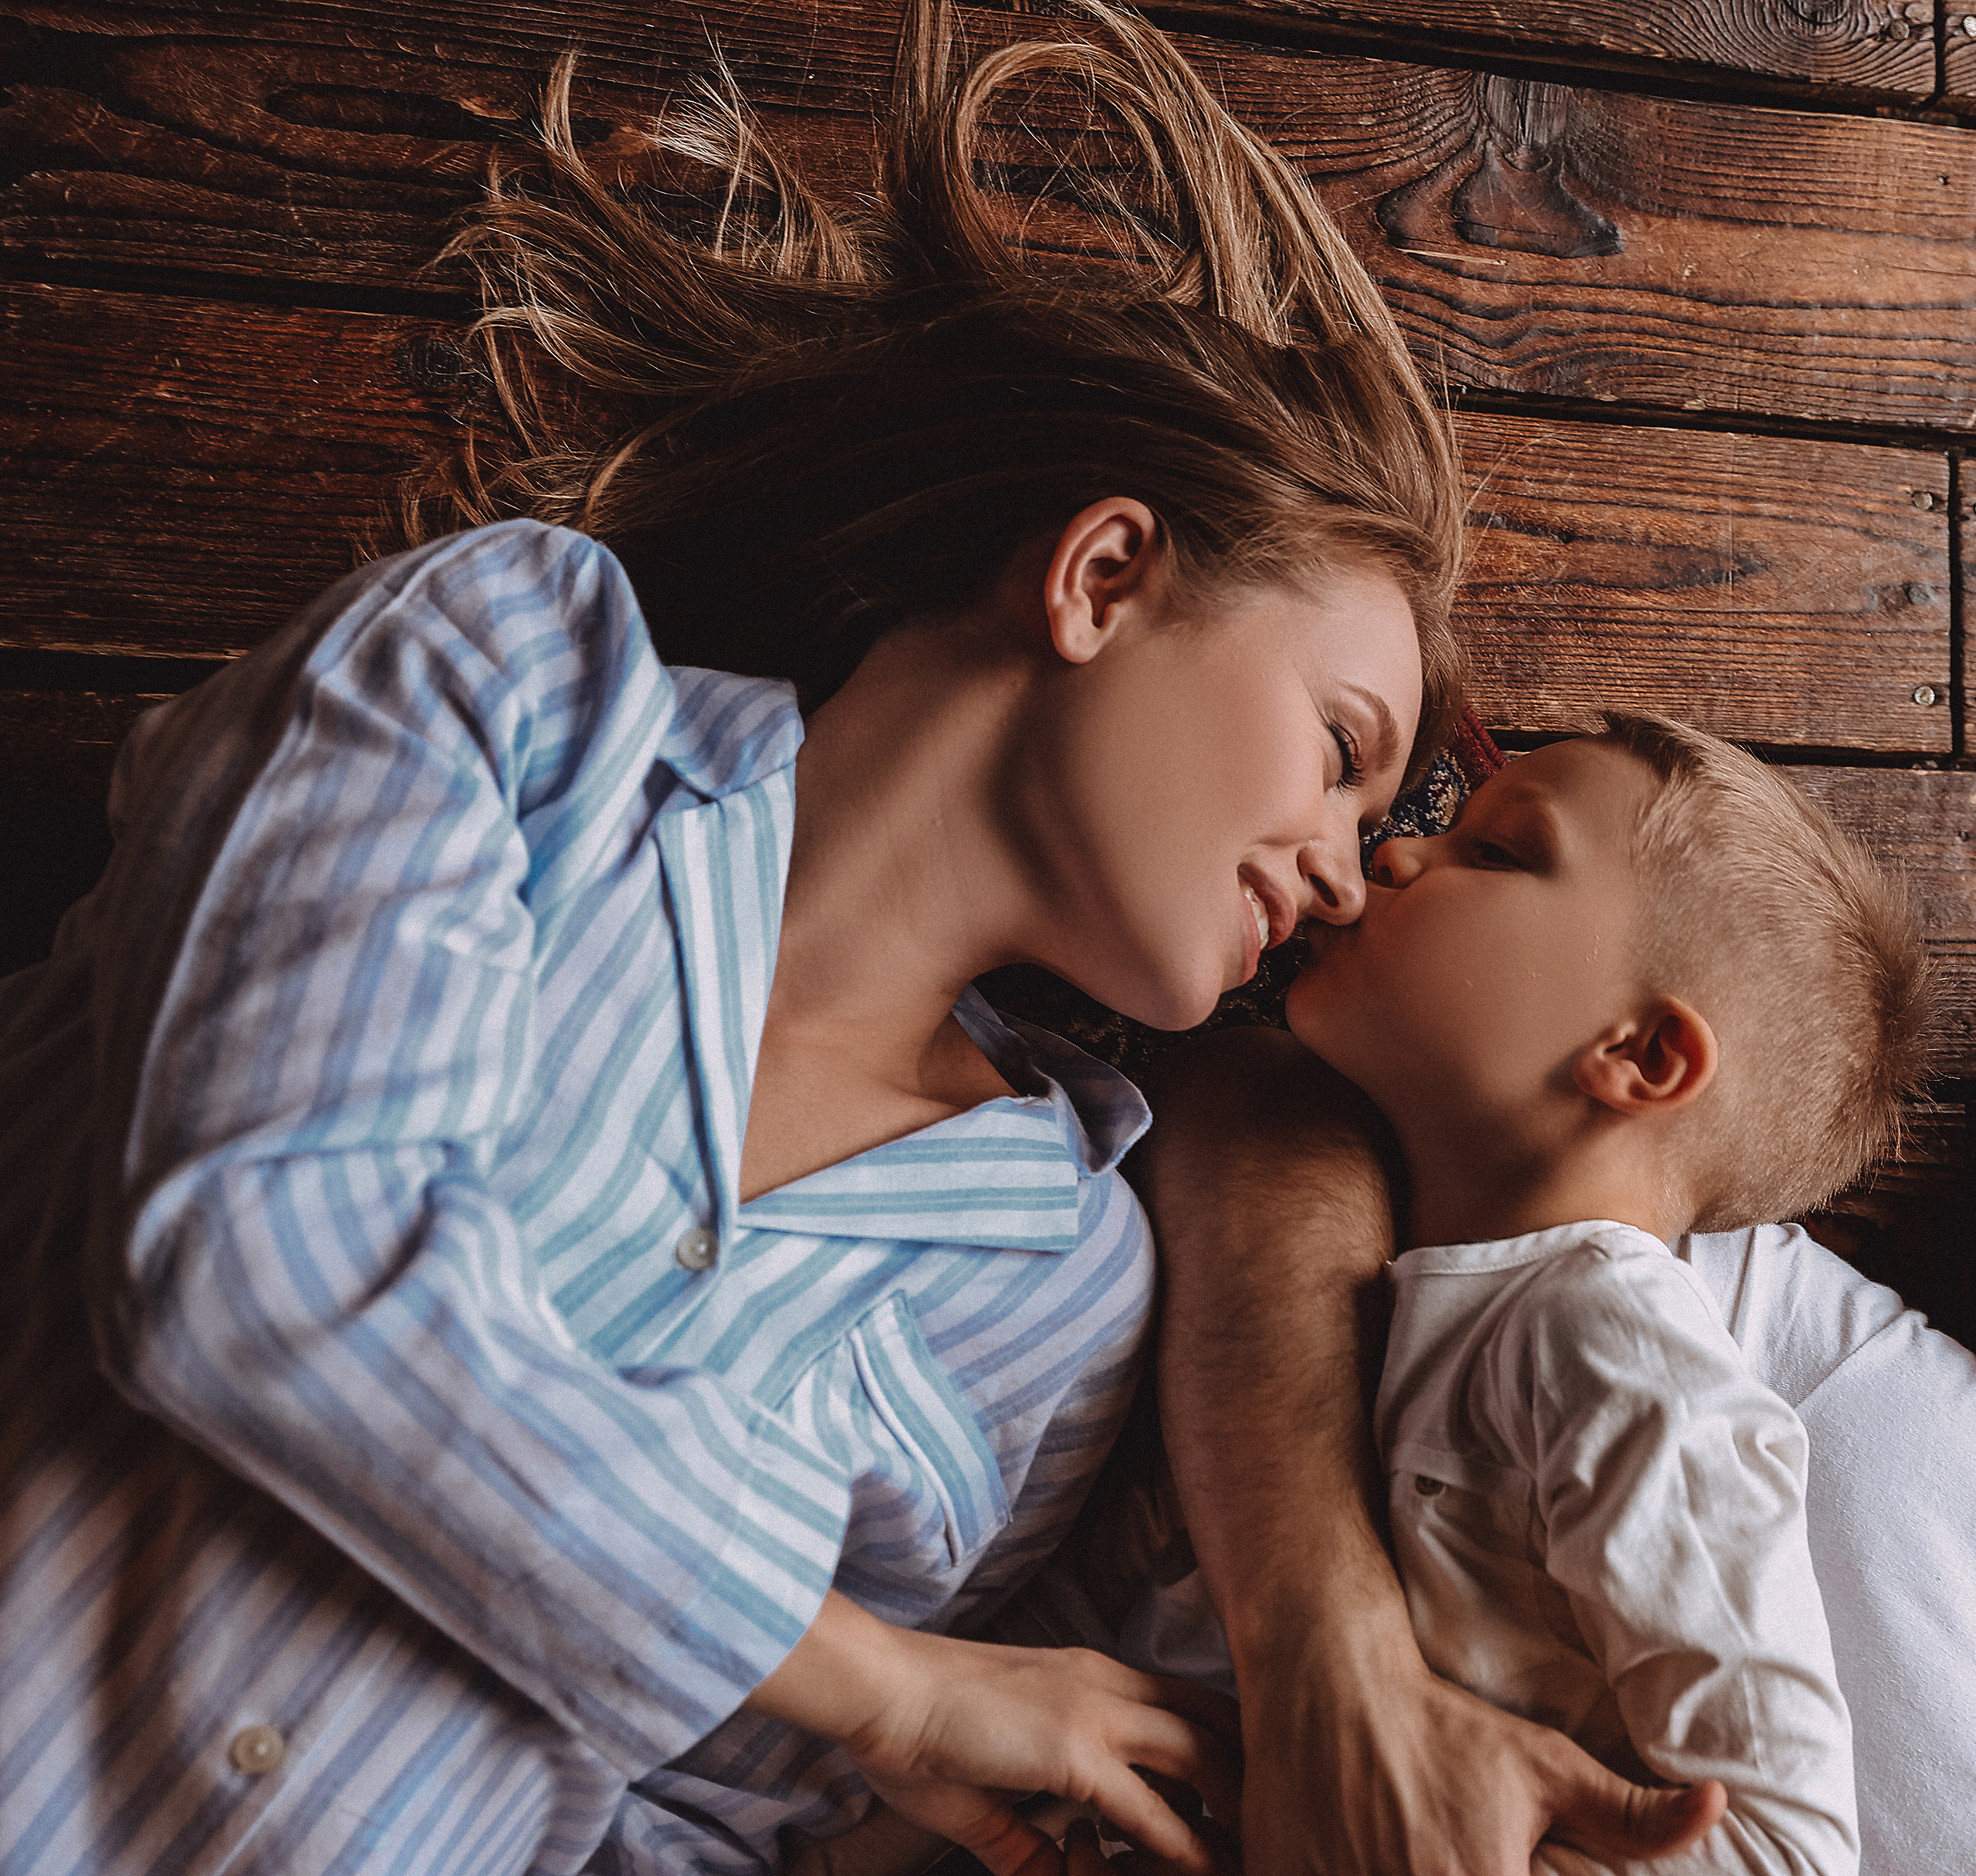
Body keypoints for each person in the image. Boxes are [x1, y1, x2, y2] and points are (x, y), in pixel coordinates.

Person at [0, 5, 1710, 1874]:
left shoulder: (1056, 1296)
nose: (1335, 870)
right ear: (1104, 575)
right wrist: (879, 1681)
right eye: (1336, 750)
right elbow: (255, 1262)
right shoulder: (506, 693)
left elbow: (696, 1824)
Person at [1127, 714, 1939, 1872]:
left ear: (1642, 1055)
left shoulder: (1611, 1344)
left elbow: (1787, 1848)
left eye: (1499, 853)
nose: (1398, 853)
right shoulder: (1401, 1296)